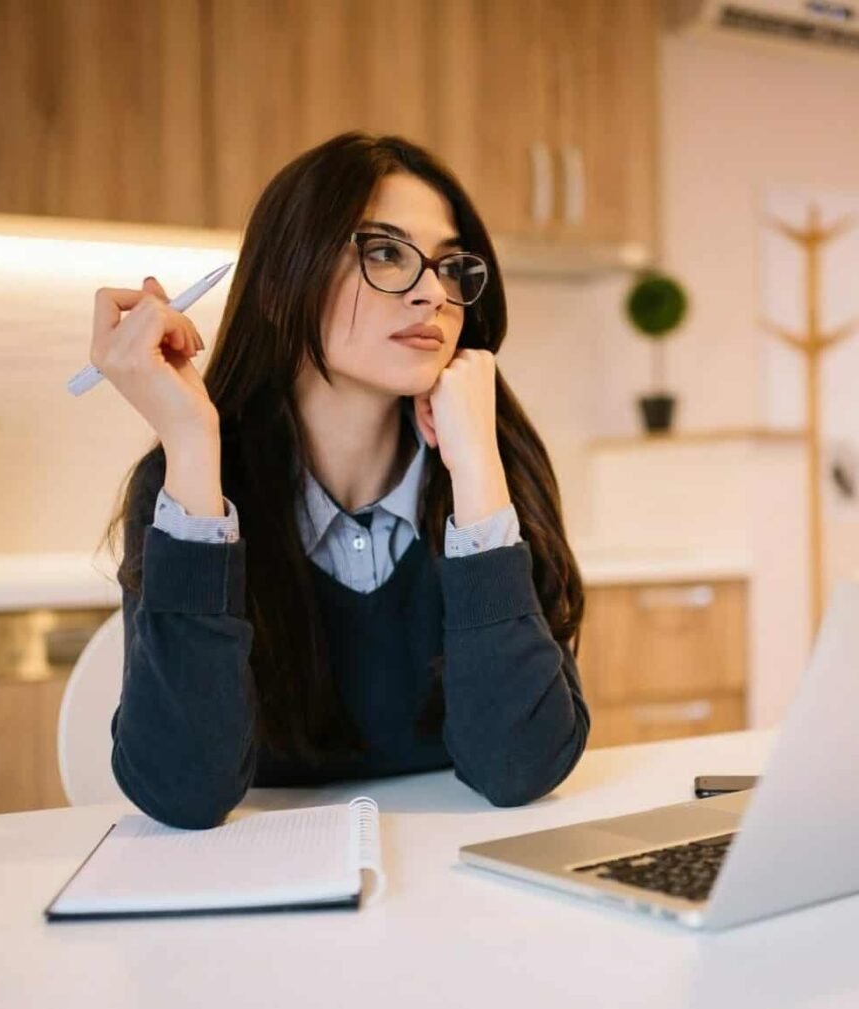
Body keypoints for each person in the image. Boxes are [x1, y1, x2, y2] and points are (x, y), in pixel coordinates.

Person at [97, 132, 589, 829]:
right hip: (260, 883)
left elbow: (521, 767)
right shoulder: (187, 487)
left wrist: (479, 469)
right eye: (385, 252)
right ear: (279, 286)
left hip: (464, 879)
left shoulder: (494, 468)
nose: (434, 293)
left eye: (451, 266)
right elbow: (184, 792)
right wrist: (190, 443)